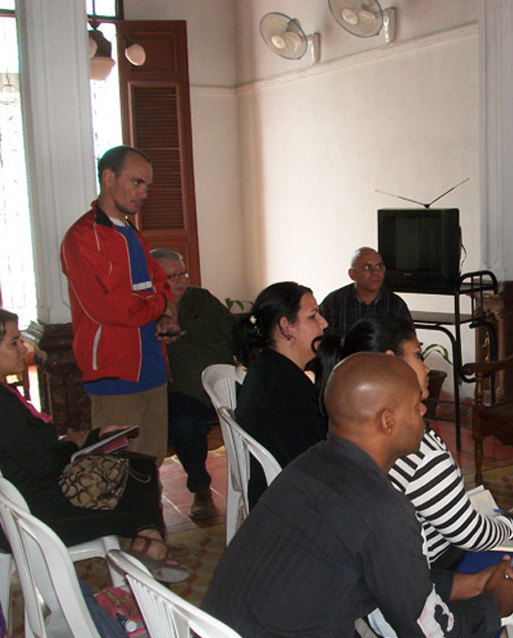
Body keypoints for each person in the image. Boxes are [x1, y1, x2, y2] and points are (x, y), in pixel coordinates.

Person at [199, 353, 513, 638]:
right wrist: (492, 604)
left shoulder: (305, 468)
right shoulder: (383, 510)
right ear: (387, 421)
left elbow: (369, 580)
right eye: (416, 406)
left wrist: (468, 585)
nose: (424, 414)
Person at [314, 314, 513, 638]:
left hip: (385, 583)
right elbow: (468, 532)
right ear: (392, 362)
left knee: (503, 544)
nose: (427, 365)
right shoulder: (415, 448)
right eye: (417, 355)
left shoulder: (345, 435)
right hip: (421, 577)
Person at [0, 308, 188, 583]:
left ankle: (150, 546)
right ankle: (151, 548)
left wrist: (92, 438)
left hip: (35, 503)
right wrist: (74, 443)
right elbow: (46, 465)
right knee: (136, 489)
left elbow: (31, 453)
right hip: (40, 517)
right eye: (14, 342)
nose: (23, 348)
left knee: (139, 465)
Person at [60, 145, 179, 465]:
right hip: (114, 372)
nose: (144, 193)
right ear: (108, 177)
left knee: (150, 466)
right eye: (137, 182)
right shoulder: (83, 237)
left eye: (147, 186)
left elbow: (161, 284)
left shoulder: (132, 234)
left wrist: (165, 315)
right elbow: (111, 307)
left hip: (153, 366)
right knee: (117, 469)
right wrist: (159, 305)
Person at [150, 248, 236, 520]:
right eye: (172, 276)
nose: (180, 281)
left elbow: (234, 332)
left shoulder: (201, 299)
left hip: (223, 387)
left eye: (183, 274)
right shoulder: (149, 308)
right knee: (183, 424)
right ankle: (200, 488)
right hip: (184, 392)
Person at [232, 282, 328, 506]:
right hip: (291, 502)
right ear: (286, 327)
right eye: (313, 316)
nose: (324, 323)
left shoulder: (271, 369)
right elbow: (318, 456)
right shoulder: (281, 384)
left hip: (279, 492)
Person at [318, 247, 412, 336]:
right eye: (367, 267)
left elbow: (409, 341)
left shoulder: (396, 305)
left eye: (378, 267)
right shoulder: (333, 303)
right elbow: (319, 339)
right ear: (352, 274)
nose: (375, 272)